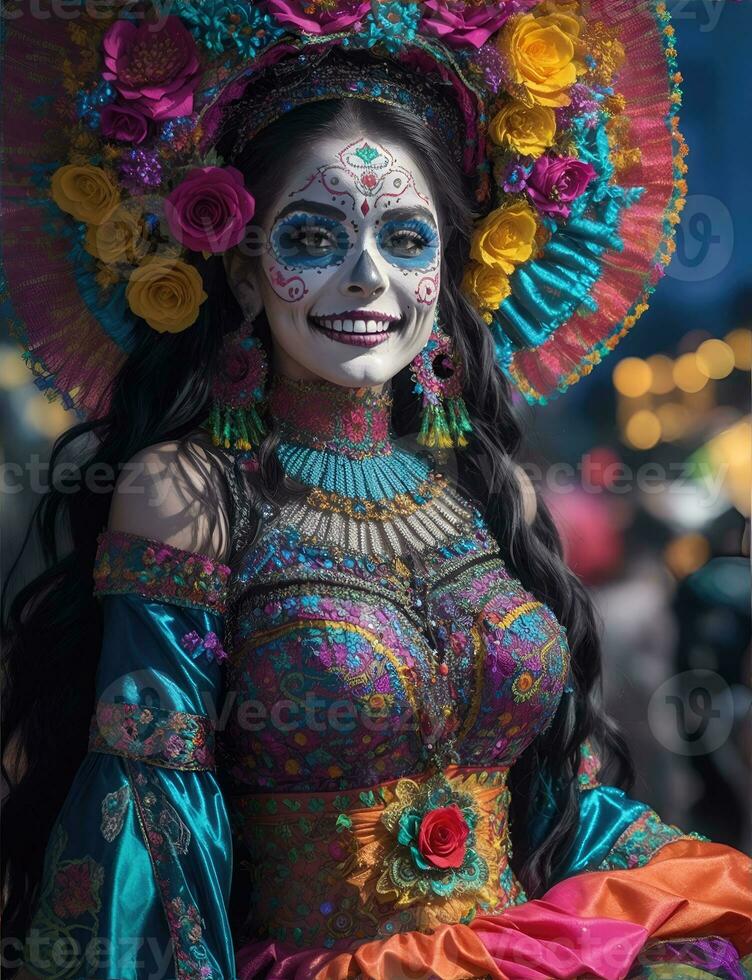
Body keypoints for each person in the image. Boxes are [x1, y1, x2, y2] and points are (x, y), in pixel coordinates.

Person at [1, 3, 750, 978]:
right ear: (238, 267)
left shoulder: (489, 494)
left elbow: (557, 798)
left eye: (404, 238)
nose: (367, 278)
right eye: (313, 237)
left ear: (447, 266)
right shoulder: (187, 494)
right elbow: (150, 824)